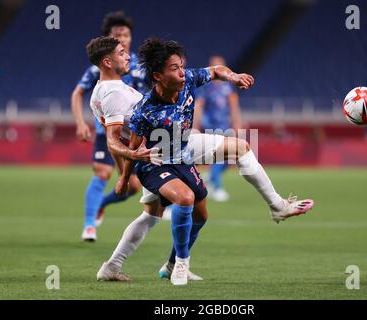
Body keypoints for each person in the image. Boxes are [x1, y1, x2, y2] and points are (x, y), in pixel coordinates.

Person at [96, 37, 314, 285]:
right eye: (174, 68)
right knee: (171, 205)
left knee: (214, 189)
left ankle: (277, 205)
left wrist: (233, 77)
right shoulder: (142, 107)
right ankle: (176, 264)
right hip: (156, 161)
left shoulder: (186, 80)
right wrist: (125, 177)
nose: (181, 72)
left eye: (181, 66)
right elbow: (131, 144)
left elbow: (216, 71)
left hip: (184, 148)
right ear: (158, 76)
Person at [70, 11, 148, 241]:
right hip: (107, 129)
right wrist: (80, 122)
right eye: (117, 35)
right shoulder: (100, 67)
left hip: (133, 132)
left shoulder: (139, 66)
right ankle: (89, 225)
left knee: (133, 187)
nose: (122, 39)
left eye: (125, 34)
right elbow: (78, 92)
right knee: (103, 172)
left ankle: (102, 204)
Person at [194, 55, 242, 201]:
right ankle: (217, 186)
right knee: (220, 155)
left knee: (229, 156)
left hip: (224, 125)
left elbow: (234, 107)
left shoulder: (228, 87)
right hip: (211, 125)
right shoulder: (205, 87)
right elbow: (199, 106)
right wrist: (195, 126)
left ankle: (211, 178)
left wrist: (237, 125)